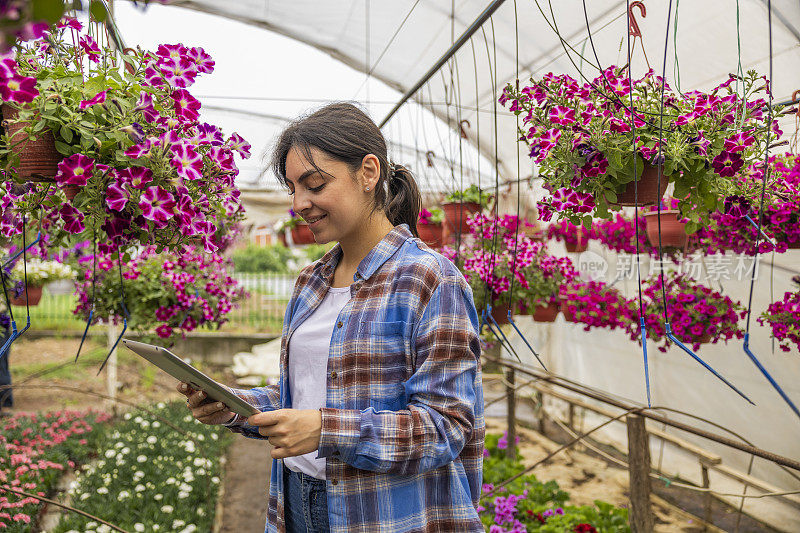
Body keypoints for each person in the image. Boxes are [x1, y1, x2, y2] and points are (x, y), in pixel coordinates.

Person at [179, 102, 484, 532]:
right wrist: (234, 405)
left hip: (385, 515)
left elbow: (445, 426)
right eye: (292, 189)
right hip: (294, 504)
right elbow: (302, 397)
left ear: (368, 172)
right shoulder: (311, 283)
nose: (299, 203)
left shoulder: (430, 280)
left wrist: (326, 429)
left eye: (315, 184)